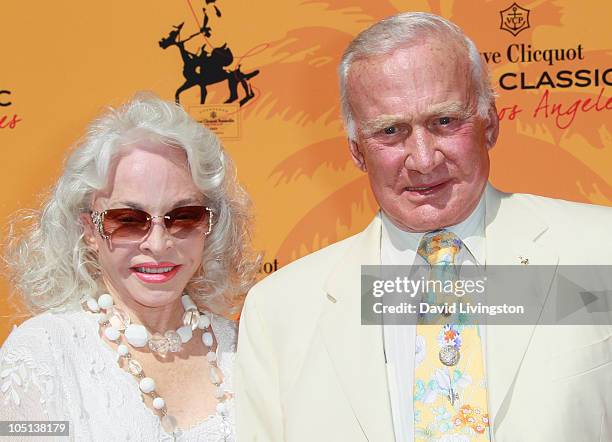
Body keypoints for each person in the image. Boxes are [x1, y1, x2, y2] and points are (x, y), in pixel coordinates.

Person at [235, 12, 612, 442]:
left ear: (490, 124)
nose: (424, 158)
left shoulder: (601, 252)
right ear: (357, 152)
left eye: (445, 122)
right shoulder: (280, 311)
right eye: (391, 131)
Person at [0, 93, 258, 441]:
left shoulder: (247, 349)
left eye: (183, 217)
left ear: (209, 225)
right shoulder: (40, 356)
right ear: (89, 230)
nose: (158, 243)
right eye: (128, 219)